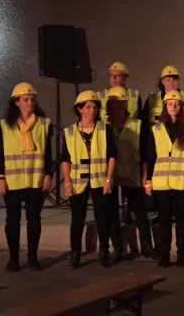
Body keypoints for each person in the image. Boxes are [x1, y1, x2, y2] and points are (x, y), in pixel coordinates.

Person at [0, 82, 53, 271]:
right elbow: (0, 154)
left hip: (35, 180)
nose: (30, 102)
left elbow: (48, 154)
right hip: (12, 182)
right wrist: (0, 177)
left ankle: (32, 257)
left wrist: (48, 174)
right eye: (26, 99)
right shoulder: (4, 126)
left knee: (34, 220)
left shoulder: (44, 124)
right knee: (12, 220)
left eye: (32, 99)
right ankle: (13, 258)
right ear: (16, 103)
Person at [143, 90, 184, 268]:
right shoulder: (156, 129)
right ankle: (165, 255)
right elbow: (151, 157)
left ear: (182, 107)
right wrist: (148, 181)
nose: (173, 106)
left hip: (183, 180)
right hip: (162, 183)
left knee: (182, 220)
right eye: (170, 104)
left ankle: (182, 255)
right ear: (165, 107)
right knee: (164, 221)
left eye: (177, 104)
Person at [62, 91, 117, 267]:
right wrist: (67, 182)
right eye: (88, 107)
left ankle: (103, 251)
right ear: (79, 109)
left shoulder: (104, 129)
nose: (92, 110)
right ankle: (75, 252)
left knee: (103, 217)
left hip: (100, 181)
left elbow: (112, 156)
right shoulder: (69, 132)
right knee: (77, 218)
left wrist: (109, 180)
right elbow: (66, 159)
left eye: (94, 107)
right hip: (78, 182)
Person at [105, 86, 155, 260]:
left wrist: (145, 175)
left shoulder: (137, 125)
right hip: (110, 177)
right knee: (112, 214)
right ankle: (118, 249)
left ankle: (147, 247)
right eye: (113, 104)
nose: (116, 107)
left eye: (120, 103)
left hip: (131, 175)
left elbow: (146, 153)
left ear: (126, 104)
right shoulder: (104, 127)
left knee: (139, 212)